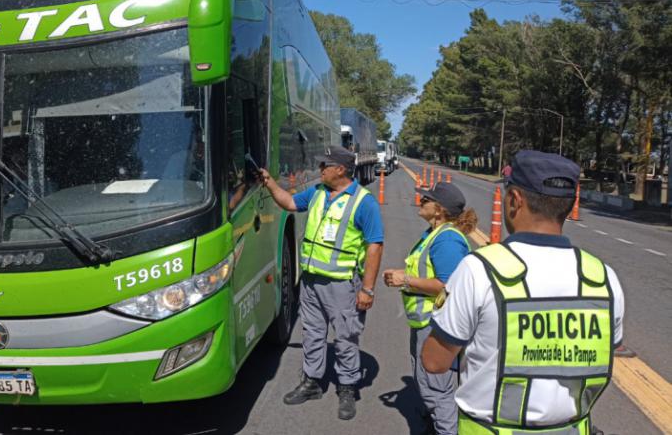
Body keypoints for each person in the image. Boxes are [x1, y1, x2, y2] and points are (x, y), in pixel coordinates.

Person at [422, 150, 624, 434]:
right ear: (570, 204)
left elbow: (434, 361)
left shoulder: (479, 270)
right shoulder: (603, 278)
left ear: (515, 200)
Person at [259, 145, 383, 421]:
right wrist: (268, 183)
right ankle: (312, 382)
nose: (319, 170)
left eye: (324, 166)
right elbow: (289, 203)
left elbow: (375, 246)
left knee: (345, 337)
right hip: (311, 280)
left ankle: (347, 387)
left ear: (340, 169)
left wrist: (368, 289)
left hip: (341, 284)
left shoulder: (363, 202)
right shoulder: (317, 194)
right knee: (313, 333)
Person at [382, 181, 476, 435]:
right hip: (425, 323)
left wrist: (406, 280)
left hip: (436, 325)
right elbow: (430, 272)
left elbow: (449, 285)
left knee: (437, 391)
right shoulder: (434, 233)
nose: (421, 201)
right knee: (429, 385)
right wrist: (404, 275)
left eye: (427, 200)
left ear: (439, 210)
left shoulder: (446, 240)